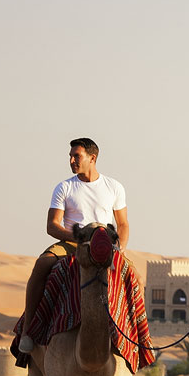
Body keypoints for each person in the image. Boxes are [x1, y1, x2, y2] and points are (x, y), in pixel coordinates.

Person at [18, 137, 128, 354]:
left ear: (92, 158)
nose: (71, 160)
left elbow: (123, 224)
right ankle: (28, 330)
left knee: (134, 277)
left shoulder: (113, 187)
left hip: (104, 245)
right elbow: (52, 226)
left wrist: (120, 246)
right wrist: (79, 238)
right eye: (70, 156)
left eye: (76, 156)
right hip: (72, 243)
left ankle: (136, 337)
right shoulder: (65, 187)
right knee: (41, 266)